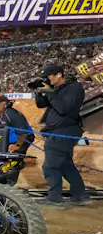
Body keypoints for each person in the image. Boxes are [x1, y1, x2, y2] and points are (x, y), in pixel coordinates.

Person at [34, 62, 90, 208]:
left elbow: (63, 108)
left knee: (50, 166)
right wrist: (39, 92)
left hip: (65, 130)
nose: (47, 80)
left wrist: (50, 92)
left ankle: (54, 198)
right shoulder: (56, 89)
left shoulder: (74, 88)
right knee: (65, 165)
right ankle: (81, 195)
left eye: (48, 76)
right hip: (56, 131)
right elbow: (41, 104)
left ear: (59, 75)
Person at [0, 94, 33, 184]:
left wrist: (17, 145)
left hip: (23, 139)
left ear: (5, 104)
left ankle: (10, 183)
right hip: (4, 138)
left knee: (13, 159)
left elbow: (23, 133)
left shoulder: (12, 114)